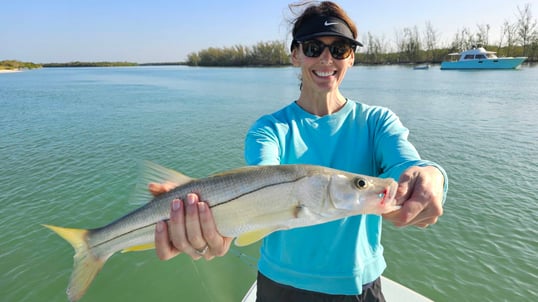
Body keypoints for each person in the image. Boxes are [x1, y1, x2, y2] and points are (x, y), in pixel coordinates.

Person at [150, 1, 447, 301]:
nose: (327, 58)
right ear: (295, 54)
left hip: (360, 286)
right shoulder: (270, 130)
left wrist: (431, 175)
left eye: (340, 48)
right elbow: (261, 180)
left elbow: (407, 164)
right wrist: (206, 215)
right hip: (281, 286)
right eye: (314, 47)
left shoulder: (377, 122)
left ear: (352, 57)